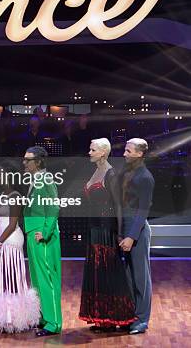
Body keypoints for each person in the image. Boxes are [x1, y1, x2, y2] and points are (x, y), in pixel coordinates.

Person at [0, 161, 40, 333]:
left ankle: (17, 318)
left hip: (11, 239)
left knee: (11, 277)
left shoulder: (15, 195)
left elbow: (12, 224)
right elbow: (0, 220)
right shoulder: (2, 194)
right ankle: (6, 317)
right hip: (2, 238)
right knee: (0, 278)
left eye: (0, 173)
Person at [78, 139, 136, 331]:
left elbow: (118, 205)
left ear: (103, 152)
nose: (89, 152)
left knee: (107, 273)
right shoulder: (95, 171)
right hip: (94, 228)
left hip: (106, 230)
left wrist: (119, 234)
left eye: (92, 149)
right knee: (97, 274)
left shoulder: (111, 174)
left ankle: (113, 318)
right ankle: (101, 317)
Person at [23, 146, 62, 337]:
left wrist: (45, 232)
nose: (24, 162)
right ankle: (44, 318)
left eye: (28, 160)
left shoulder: (46, 179)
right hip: (33, 231)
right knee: (37, 278)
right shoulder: (36, 179)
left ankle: (53, 322)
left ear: (38, 161)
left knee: (47, 278)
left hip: (42, 233)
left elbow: (54, 207)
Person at [119, 138, 155, 335]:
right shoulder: (126, 172)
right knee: (128, 277)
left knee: (141, 277)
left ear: (140, 154)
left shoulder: (145, 177)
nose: (124, 154)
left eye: (128, 151)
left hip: (138, 230)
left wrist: (132, 236)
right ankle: (131, 315)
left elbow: (143, 210)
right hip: (125, 227)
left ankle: (142, 319)